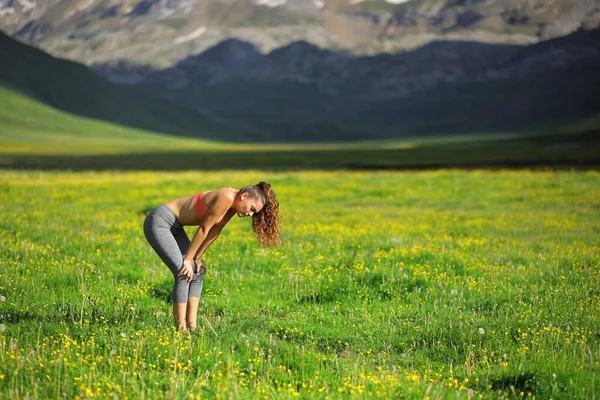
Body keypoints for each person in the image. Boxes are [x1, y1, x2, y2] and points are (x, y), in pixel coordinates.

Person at [143, 182, 280, 331]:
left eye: (254, 213)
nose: (250, 214)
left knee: (198, 272)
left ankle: (192, 327)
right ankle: (180, 329)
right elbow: (204, 228)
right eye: (252, 209)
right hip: (160, 221)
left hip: (176, 227)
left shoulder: (232, 207)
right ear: (244, 196)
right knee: (183, 271)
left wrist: (197, 258)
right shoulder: (227, 196)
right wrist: (188, 260)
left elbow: (215, 230)